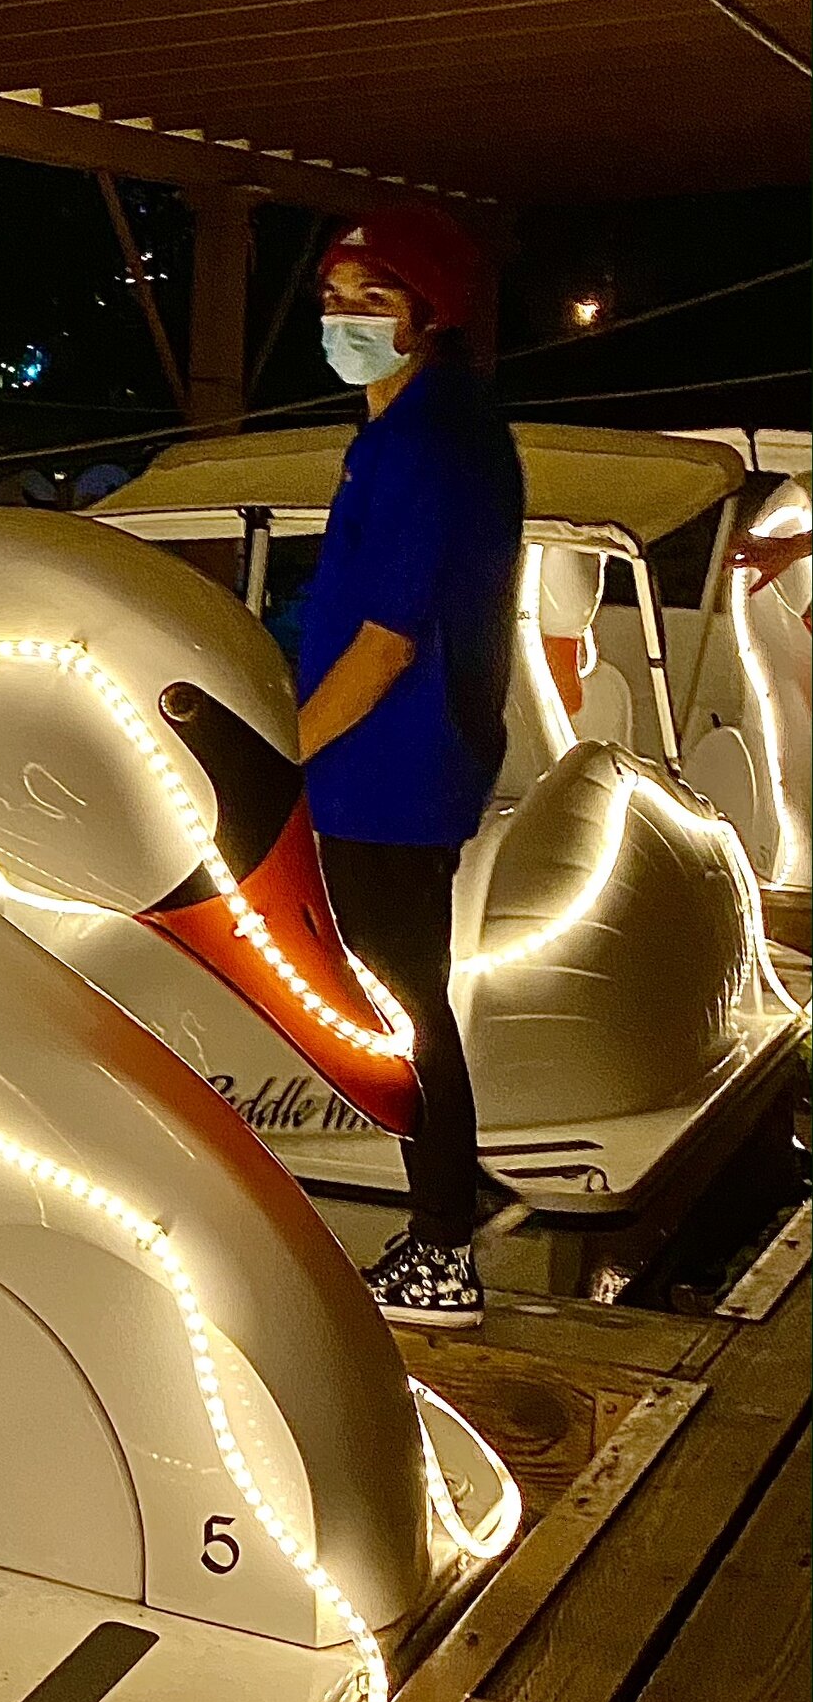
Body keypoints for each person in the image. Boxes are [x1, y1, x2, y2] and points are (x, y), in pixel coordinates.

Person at [296, 204, 524, 1329]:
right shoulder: (408, 429)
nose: (343, 319)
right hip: (393, 761)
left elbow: (386, 642)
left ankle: (442, 1253)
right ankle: (454, 1193)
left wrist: (280, 757)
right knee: (401, 989)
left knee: (401, 1002)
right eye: (334, 297)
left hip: (388, 766)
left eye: (371, 300)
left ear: (430, 317)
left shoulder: (429, 441)